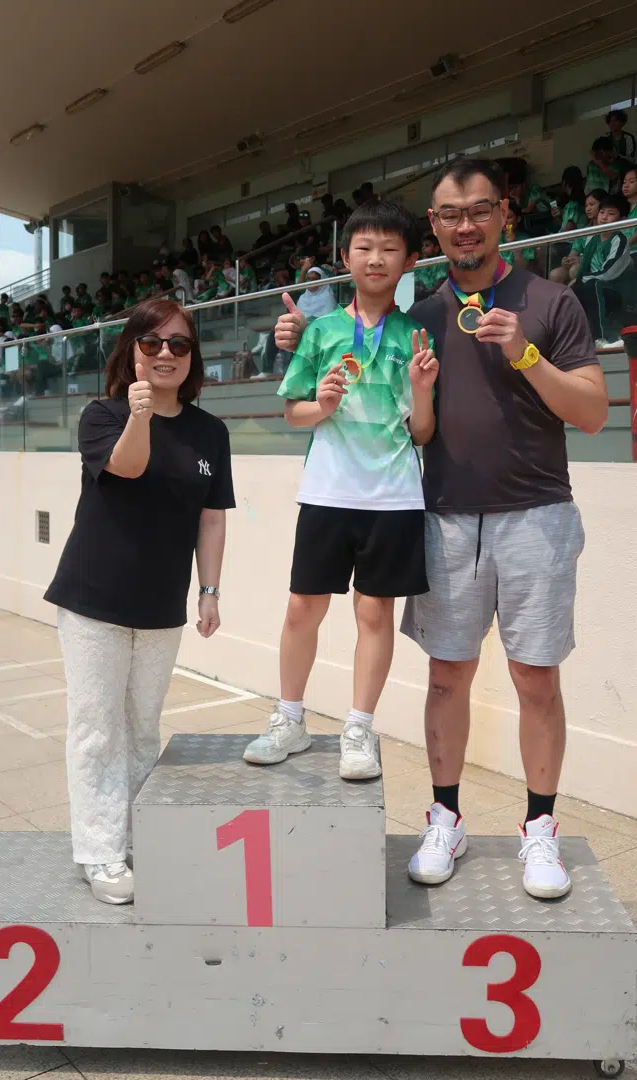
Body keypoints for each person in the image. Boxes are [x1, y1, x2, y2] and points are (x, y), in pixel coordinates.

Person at [275, 158, 608, 899]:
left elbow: (592, 412)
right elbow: (354, 363)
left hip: (538, 515)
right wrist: (296, 334)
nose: (466, 225)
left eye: (479, 210)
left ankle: (540, 828)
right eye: (451, 214)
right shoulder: (417, 318)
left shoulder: (550, 301)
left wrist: (525, 353)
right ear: (434, 227)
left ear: (504, 214)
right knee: (447, 675)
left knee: (536, 678)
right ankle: (445, 818)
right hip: (446, 516)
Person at [44, 299, 235, 905]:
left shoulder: (211, 432)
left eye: (179, 344)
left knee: (141, 729)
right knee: (96, 729)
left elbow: (211, 517)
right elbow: (127, 468)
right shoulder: (102, 415)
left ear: (193, 356)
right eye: (151, 343)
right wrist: (140, 414)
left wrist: (209, 591)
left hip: (160, 605)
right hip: (93, 598)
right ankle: (99, 852)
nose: (165, 354)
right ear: (131, 351)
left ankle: (133, 837)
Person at [243, 200, 437, 780]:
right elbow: (293, 412)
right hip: (327, 492)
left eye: (390, 249)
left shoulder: (417, 333)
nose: (376, 259)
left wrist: (422, 390)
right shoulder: (322, 331)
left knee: (374, 614)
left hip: (394, 497)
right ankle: (290, 719)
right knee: (303, 608)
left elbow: (422, 432)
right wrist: (322, 405)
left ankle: (359, 728)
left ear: (409, 260)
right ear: (346, 258)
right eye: (364, 248)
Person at [572, 192, 636, 345]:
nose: (604, 217)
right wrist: (577, 283)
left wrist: (584, 280)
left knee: (592, 285)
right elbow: (584, 268)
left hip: (617, 290)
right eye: (602, 212)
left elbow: (610, 272)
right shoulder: (592, 238)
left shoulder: (620, 240)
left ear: (622, 220)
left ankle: (601, 338)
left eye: (611, 214)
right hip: (593, 284)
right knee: (570, 291)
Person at [550, 188, 605, 284]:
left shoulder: (607, 229)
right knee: (555, 274)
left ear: (603, 205)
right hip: (579, 264)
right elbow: (574, 252)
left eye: (592, 204)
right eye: (586, 205)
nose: (588, 208)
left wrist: (582, 260)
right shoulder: (584, 230)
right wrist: (567, 260)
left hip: (596, 266)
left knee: (575, 270)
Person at [502, 202, 538, 272]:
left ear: (518, 219)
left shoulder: (526, 240)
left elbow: (523, 268)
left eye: (508, 217)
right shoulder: (493, 238)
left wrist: (513, 243)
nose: (504, 221)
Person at [414, 233, 448, 300]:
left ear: (436, 248)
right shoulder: (421, 263)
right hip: (424, 297)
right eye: (423, 246)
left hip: (439, 296)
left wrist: (429, 293)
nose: (423, 248)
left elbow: (441, 281)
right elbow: (417, 281)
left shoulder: (443, 261)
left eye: (427, 245)